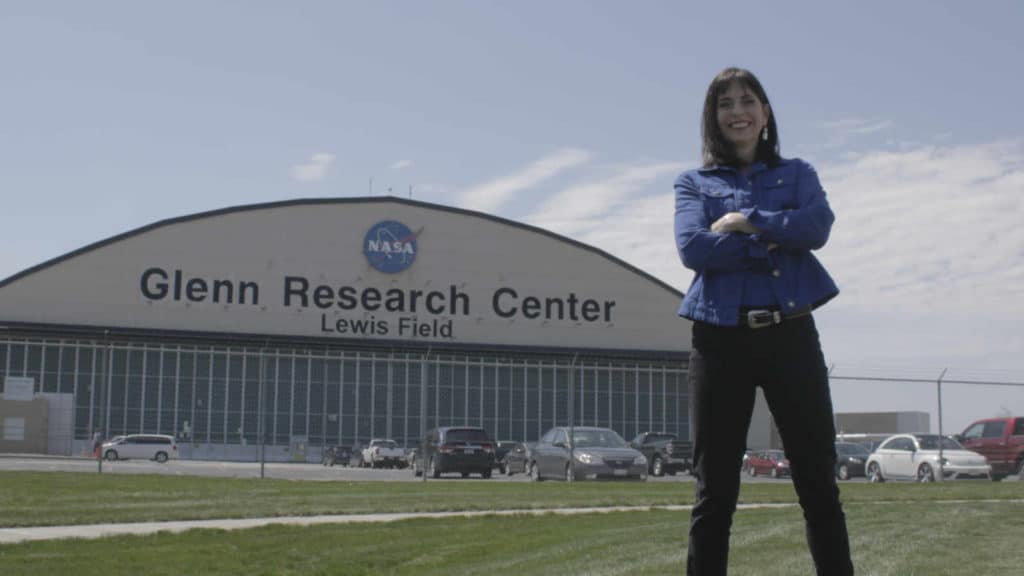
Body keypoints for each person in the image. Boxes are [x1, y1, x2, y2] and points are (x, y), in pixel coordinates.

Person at [673, 67, 854, 575]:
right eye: (725, 103)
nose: (738, 111)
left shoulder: (798, 174)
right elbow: (692, 247)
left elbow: (817, 227)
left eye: (747, 100)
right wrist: (774, 239)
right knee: (716, 492)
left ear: (766, 112)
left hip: (790, 334)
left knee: (819, 484)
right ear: (713, 118)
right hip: (719, 341)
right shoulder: (693, 183)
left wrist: (747, 223)